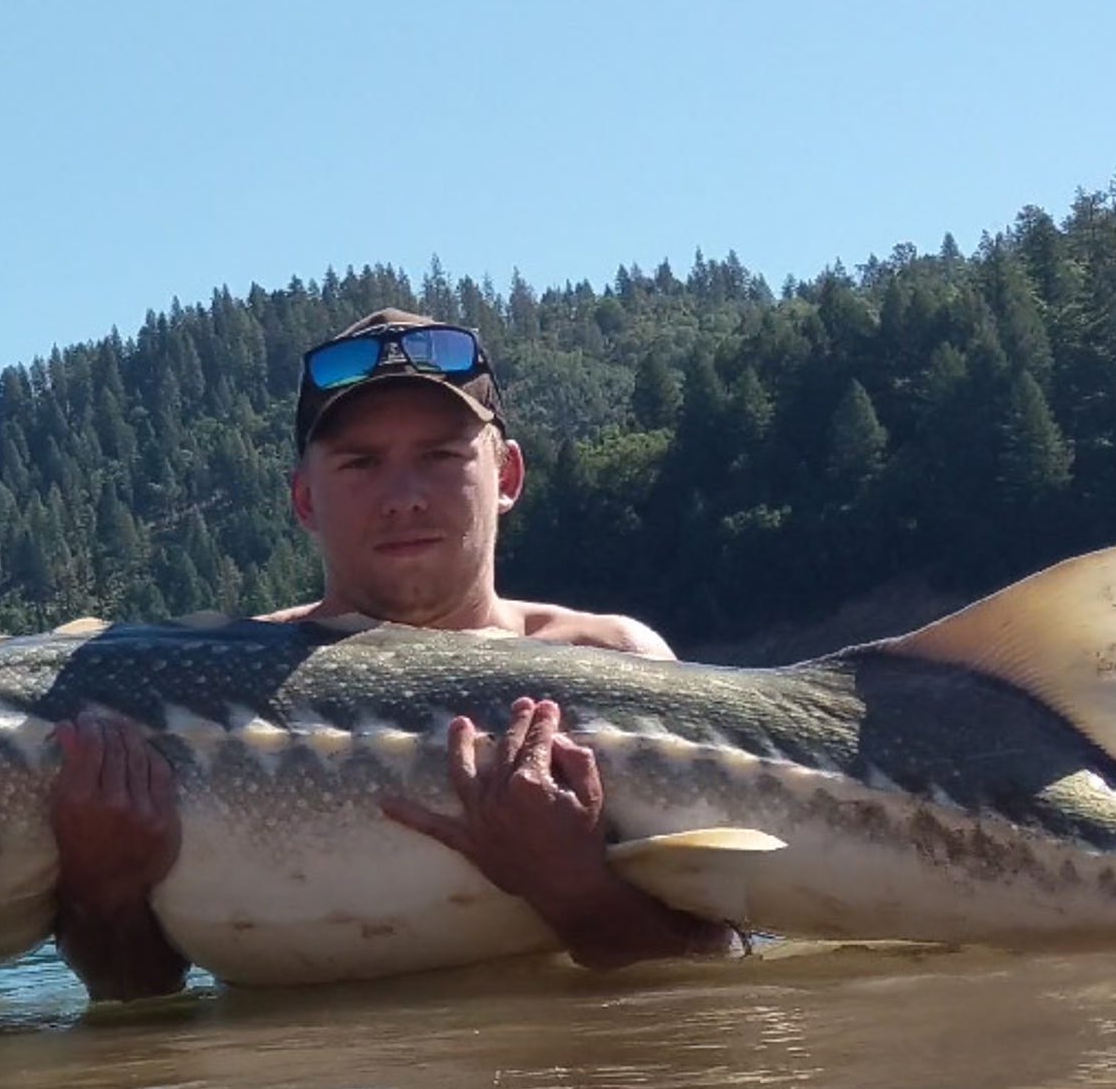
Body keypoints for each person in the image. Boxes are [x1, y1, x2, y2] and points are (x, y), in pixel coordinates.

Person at [52, 307, 751, 994]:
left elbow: (721, 976)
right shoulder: (208, 685)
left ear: (505, 476)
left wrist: (572, 887)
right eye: (360, 464)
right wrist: (103, 891)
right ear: (303, 500)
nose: (403, 497)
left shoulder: (615, 660)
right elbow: (135, 1006)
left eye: (440, 456)